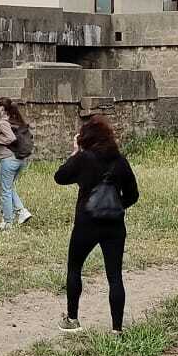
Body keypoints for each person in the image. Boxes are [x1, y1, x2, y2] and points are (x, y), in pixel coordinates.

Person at [53, 113, 141, 332]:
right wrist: (114, 206)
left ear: (86, 138)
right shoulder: (120, 161)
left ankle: (72, 319)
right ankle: (116, 329)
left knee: (75, 268)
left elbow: (60, 176)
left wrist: (75, 152)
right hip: (114, 225)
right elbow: (133, 195)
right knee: (114, 276)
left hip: (86, 223)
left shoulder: (84, 159)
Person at [0, 98, 34, 227]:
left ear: (2, 108)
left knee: (5, 190)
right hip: (20, 159)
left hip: (8, 159)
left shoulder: (4, 122)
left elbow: (11, 138)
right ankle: (22, 211)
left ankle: (8, 221)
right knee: (9, 188)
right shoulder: (16, 120)